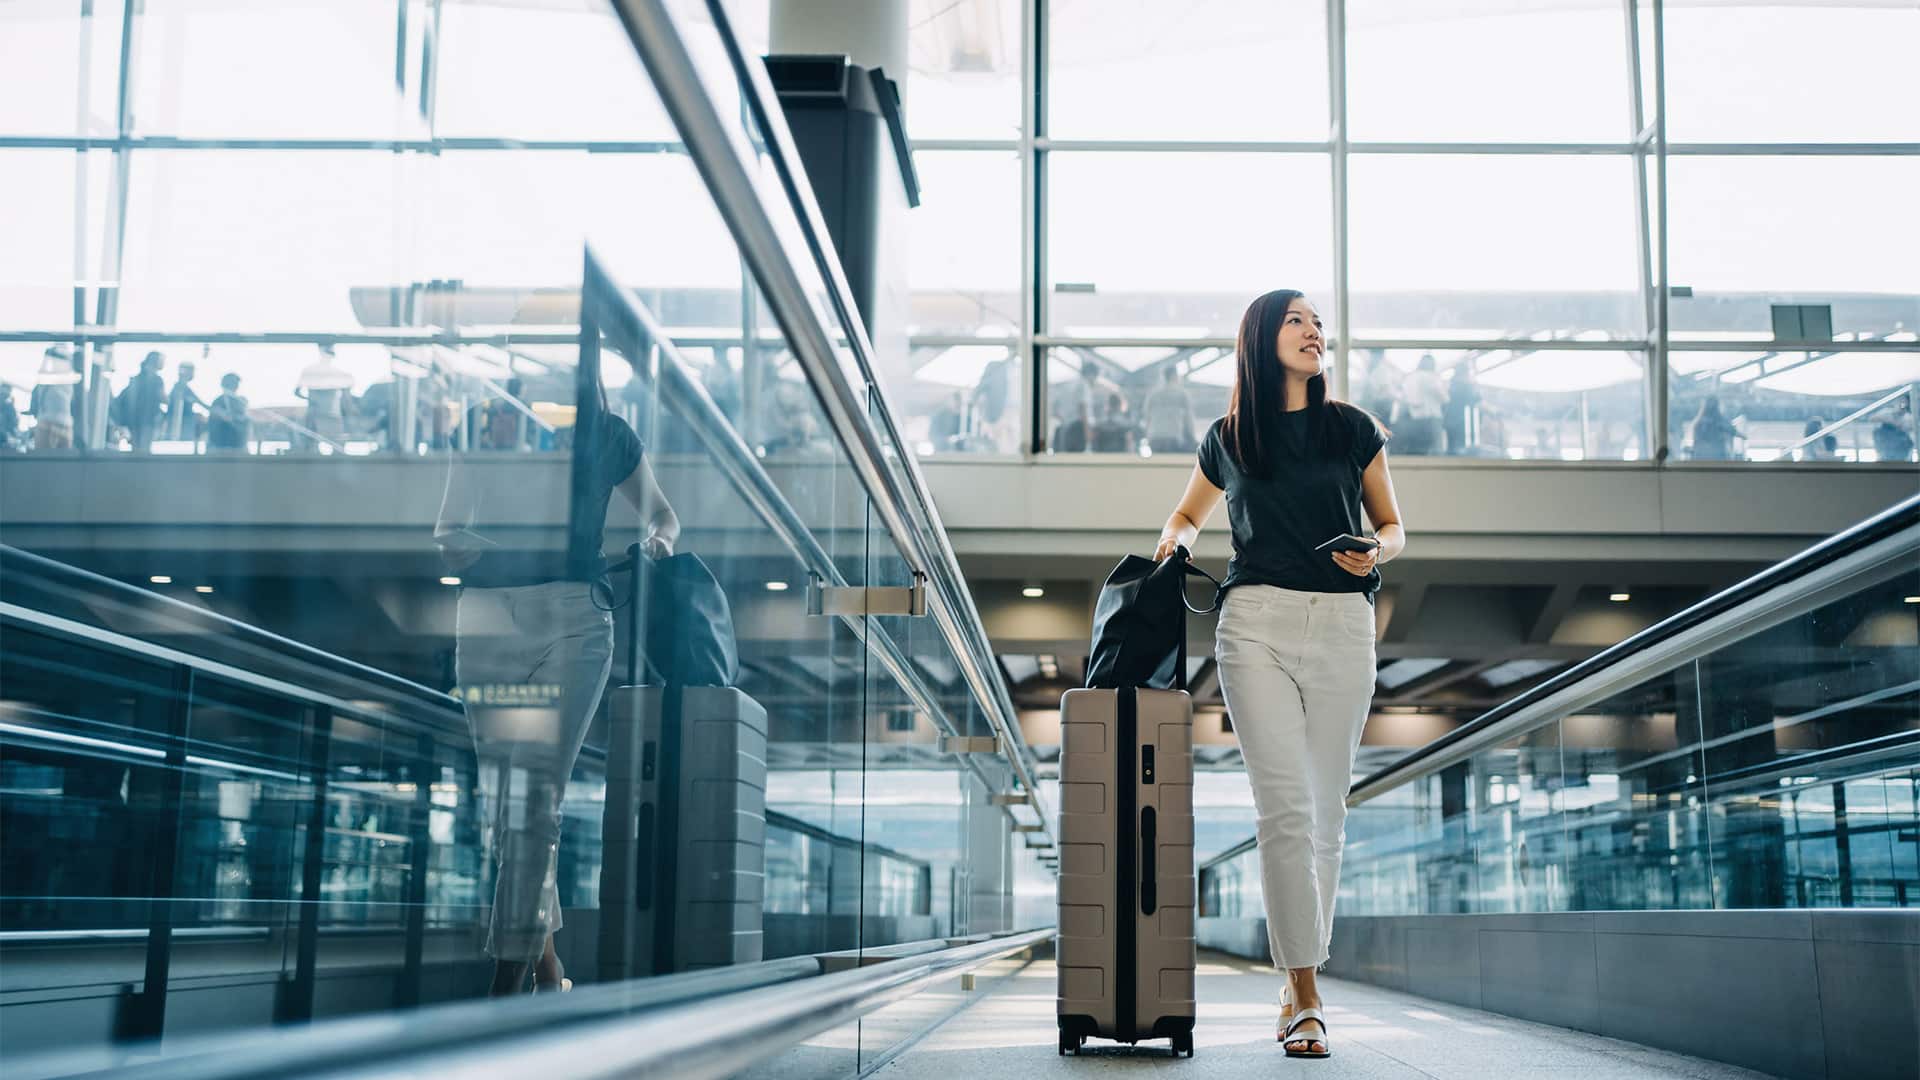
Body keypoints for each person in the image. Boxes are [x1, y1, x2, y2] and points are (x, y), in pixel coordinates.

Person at [1152, 289, 1405, 1060]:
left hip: (1342, 624)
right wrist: (1174, 543)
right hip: (1253, 623)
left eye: (1319, 323)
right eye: (1297, 320)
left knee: (1326, 813)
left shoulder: (1352, 428)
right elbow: (1186, 516)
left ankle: (1299, 977)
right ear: (1261, 338)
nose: (1314, 332)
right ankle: (1304, 993)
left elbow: (1394, 526)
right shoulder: (1229, 438)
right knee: (1285, 810)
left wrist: (1380, 550)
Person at [437, 378, 679, 997]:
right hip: (489, 616)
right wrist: (455, 547)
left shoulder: (606, 433)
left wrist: (656, 544)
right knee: (507, 812)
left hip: (574, 620)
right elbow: (447, 527)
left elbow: (663, 515)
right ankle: (549, 973)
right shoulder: (483, 419)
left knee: (532, 803)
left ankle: (503, 992)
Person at [1395, 354, 1445, 455]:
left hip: (1413, 419)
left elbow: (1404, 399)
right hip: (1431, 419)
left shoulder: (1410, 378)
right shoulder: (1432, 377)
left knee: (1416, 452)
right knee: (1435, 453)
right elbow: (1444, 398)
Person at [30, 347, 76, 451]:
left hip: (57, 425)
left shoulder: (68, 381)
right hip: (53, 424)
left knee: (49, 461)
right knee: (49, 461)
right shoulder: (49, 380)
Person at [1144, 366, 1198, 454]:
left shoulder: (1153, 394)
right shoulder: (1182, 394)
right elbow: (1188, 419)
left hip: (1154, 437)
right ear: (1174, 376)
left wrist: (1148, 437)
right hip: (1173, 437)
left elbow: (1147, 417)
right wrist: (1192, 438)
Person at [124, 351, 167, 452]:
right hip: (148, 420)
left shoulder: (136, 379)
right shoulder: (157, 380)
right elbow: (163, 398)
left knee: (136, 449)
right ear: (155, 361)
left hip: (134, 420)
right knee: (145, 450)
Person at [1442, 362, 1480, 456]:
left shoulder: (1451, 384)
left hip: (1449, 420)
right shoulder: (1466, 386)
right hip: (1462, 422)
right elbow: (1475, 400)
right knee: (1461, 449)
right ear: (1465, 372)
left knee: (1452, 448)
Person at [206, 373, 251, 452]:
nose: (236, 386)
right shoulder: (220, 401)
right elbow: (227, 419)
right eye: (234, 383)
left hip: (237, 447)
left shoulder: (238, 401)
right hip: (223, 448)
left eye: (236, 383)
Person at [166, 360, 207, 444]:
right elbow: (200, 402)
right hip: (180, 426)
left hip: (181, 425)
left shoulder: (181, 387)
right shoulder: (180, 387)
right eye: (191, 371)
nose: (193, 374)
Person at [1688, 396, 1739, 460]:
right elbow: (1733, 431)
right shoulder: (1721, 422)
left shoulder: (1698, 423)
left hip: (1701, 458)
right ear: (1718, 407)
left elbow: (1695, 442)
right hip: (1716, 458)